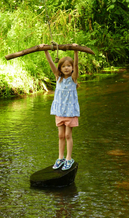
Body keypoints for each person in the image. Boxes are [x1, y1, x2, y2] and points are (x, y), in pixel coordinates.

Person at [42, 43, 80, 171]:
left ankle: (69, 158)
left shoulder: (73, 79)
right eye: (63, 66)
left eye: (68, 66)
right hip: (59, 111)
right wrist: (46, 51)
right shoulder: (58, 78)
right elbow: (51, 63)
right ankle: (60, 158)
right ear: (60, 68)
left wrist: (76, 51)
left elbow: (76, 65)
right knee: (60, 135)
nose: (66, 68)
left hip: (70, 112)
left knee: (68, 135)